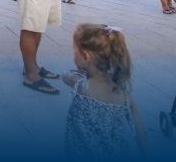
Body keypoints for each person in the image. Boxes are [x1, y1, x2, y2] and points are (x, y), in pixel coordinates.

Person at [60, 24, 148, 159]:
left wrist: (82, 71)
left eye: (74, 51)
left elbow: (64, 75)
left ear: (86, 56)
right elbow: (140, 131)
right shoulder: (124, 94)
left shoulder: (80, 84)